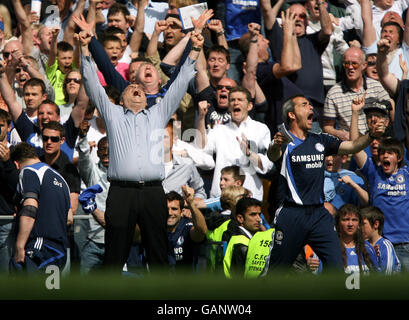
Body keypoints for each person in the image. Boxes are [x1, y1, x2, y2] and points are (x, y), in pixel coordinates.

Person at [79, 28, 204, 272]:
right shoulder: (113, 114)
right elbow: (91, 83)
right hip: (121, 193)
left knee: (158, 253)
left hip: (153, 192)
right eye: (130, 85)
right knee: (115, 255)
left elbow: (180, 83)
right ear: (122, 98)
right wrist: (85, 48)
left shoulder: (158, 113)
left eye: (138, 86)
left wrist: (196, 48)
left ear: (147, 97)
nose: (135, 86)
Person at [264, 93, 386, 273]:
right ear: (291, 114)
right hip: (291, 214)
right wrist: (275, 145)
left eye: (311, 105)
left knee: (337, 266)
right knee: (277, 271)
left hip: (318, 214)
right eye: (305, 104)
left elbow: (352, 146)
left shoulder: (320, 139)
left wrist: (370, 135)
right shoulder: (283, 141)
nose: (311, 107)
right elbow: (272, 155)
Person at [200, 86, 274, 201]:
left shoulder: (260, 129)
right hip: (221, 197)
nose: (235, 103)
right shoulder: (219, 130)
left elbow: (268, 165)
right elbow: (202, 150)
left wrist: (249, 154)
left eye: (240, 100)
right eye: (232, 100)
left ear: (249, 106)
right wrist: (201, 118)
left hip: (249, 196)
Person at [10, 142, 70, 273]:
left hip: (39, 248)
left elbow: (30, 208)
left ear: (16, 164)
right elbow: (69, 218)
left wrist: (19, 246)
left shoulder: (29, 171)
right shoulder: (62, 180)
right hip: (59, 251)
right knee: (49, 292)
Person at [323, 47, 390, 141]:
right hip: (351, 144)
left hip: (376, 141)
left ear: (364, 65)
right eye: (347, 64)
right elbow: (327, 127)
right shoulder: (334, 93)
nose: (350, 67)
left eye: (354, 64)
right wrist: (340, 134)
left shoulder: (377, 87)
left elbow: (390, 112)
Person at [77, 136, 109, 275]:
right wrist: (83, 138)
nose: (106, 152)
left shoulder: (124, 175)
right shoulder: (92, 172)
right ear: (97, 153)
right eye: (102, 149)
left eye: (109, 149)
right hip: (92, 244)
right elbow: (84, 159)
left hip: (118, 243)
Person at [162, 119, 206, 199]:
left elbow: (200, 192)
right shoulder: (146, 166)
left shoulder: (187, 165)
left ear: (174, 138)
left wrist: (190, 207)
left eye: (165, 137)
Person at [166, 186, 207, 272]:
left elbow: (201, 231)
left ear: (182, 212)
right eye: (166, 209)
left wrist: (191, 203)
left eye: (174, 209)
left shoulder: (186, 227)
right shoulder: (155, 229)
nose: (169, 213)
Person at [223, 197, 264, 278]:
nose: (259, 219)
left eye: (259, 214)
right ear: (240, 218)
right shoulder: (241, 243)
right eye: (253, 214)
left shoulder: (241, 238)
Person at [335, 204, 378, 274]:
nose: (350, 224)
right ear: (338, 223)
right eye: (346, 219)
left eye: (354, 220)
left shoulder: (368, 248)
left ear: (359, 224)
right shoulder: (332, 248)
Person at [0, 109, 19, 272]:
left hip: (6, 221)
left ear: (8, 127)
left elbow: (17, 187)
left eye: (1, 125)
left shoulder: (15, 152)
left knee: (6, 272)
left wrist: (7, 163)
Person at [361, 206, 401, 275]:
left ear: (376, 224)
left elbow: (387, 275)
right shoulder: (363, 245)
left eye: (363, 224)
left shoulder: (385, 245)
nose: (359, 227)